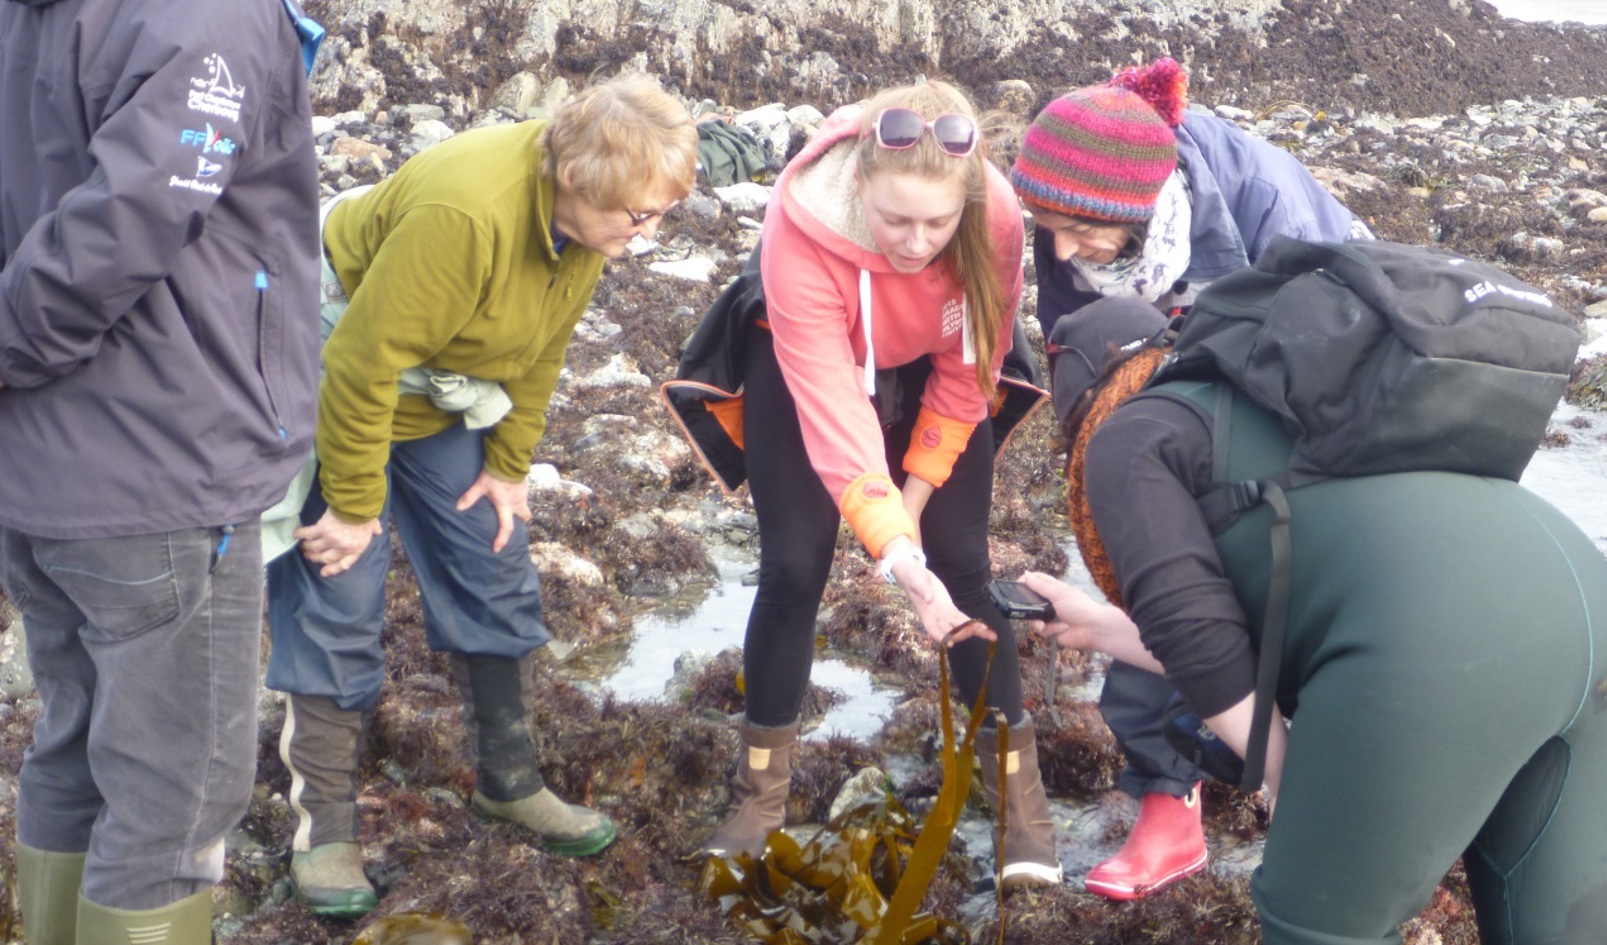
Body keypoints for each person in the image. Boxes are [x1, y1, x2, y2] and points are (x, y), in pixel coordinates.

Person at [1018, 298, 1607, 943]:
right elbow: (1271, 630)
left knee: (1316, 926)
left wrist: (1291, 777)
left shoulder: (1128, 433)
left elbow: (1198, 639)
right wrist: (1096, 626)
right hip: (1584, 600)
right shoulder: (1277, 396)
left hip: (1434, 641)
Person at [263, 74, 698, 918]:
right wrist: (353, 505)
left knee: (494, 558)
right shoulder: (465, 216)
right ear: (574, 179)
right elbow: (361, 364)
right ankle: (326, 829)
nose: (646, 237)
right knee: (339, 590)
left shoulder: (590, 228)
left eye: (661, 216)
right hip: (330, 359)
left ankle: (509, 780)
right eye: (638, 217)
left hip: (439, 389)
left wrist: (508, 464)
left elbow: (542, 345)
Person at [1008, 56, 1370, 900]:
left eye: (1077, 230)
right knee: (1146, 550)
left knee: (1257, 564)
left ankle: (1318, 776)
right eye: (1045, 227)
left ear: (1138, 206)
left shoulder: (1262, 203)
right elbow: (1088, 394)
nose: (1060, 251)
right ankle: (1167, 800)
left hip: (1308, 366)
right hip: (1173, 369)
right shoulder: (1074, 217)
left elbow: (1339, 342)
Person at [690, 79, 1063, 891]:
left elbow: (969, 378)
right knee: (793, 563)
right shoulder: (801, 222)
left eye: (938, 222)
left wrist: (918, 510)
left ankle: (1017, 797)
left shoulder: (992, 215)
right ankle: (762, 795)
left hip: (935, 361)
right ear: (861, 186)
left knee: (963, 564)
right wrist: (894, 549)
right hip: (808, 360)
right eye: (896, 219)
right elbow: (832, 414)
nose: (917, 242)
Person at [0, 0, 321, 941]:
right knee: (173, 800)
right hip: (161, 469)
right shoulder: (205, 12)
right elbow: (123, 228)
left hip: (40, 474)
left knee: (76, 748)